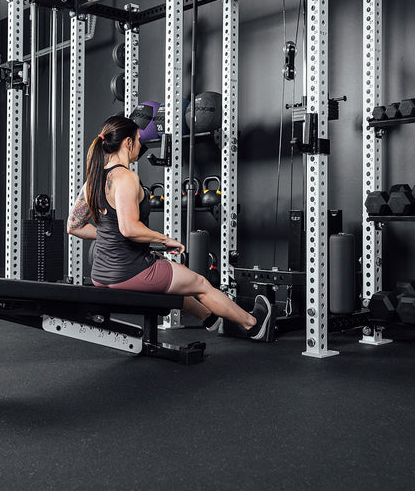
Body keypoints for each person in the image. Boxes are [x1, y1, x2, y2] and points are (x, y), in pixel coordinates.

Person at [67, 115, 272, 340]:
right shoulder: (126, 178)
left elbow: (74, 226)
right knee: (201, 284)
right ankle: (254, 324)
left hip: (100, 275)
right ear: (127, 143)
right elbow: (129, 229)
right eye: (137, 140)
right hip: (129, 272)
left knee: (174, 282)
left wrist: (108, 235)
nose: (139, 146)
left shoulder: (93, 180)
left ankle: (210, 319)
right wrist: (165, 239)